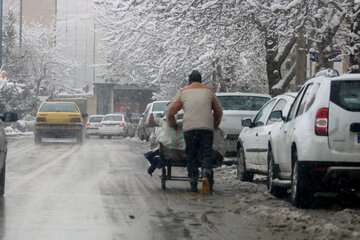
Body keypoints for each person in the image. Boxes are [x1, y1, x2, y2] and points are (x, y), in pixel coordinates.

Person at [167, 70, 223, 192]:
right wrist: (214, 125)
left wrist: (173, 124)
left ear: (189, 81)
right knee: (206, 153)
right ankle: (206, 171)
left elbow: (170, 112)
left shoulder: (183, 92)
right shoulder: (209, 92)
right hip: (206, 129)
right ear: (201, 80)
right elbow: (219, 111)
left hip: (190, 128)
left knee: (191, 154)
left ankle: (193, 179)